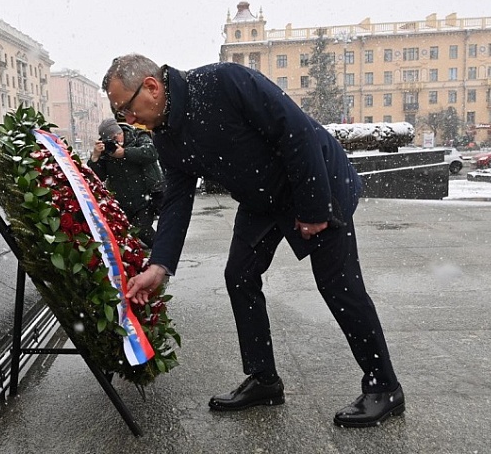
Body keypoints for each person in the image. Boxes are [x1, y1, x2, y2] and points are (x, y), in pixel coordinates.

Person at [103, 54, 404, 427]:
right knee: (240, 276)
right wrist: (159, 266)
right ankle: (264, 380)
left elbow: (296, 131)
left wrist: (313, 209)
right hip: (262, 197)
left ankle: (384, 386)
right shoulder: (166, 134)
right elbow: (177, 199)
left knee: (338, 285)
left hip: (315, 179)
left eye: (126, 109)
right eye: (120, 115)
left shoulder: (223, 81)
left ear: (151, 87)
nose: (127, 121)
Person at [88, 118, 164, 247]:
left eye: (117, 135)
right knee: (118, 233)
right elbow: (97, 177)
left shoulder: (138, 136)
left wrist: (125, 153)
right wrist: (95, 157)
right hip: (122, 201)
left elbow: (151, 153)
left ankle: (163, 249)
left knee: (142, 230)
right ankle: (133, 256)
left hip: (146, 197)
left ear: (120, 131)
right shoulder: (106, 151)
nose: (116, 139)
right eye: (111, 138)